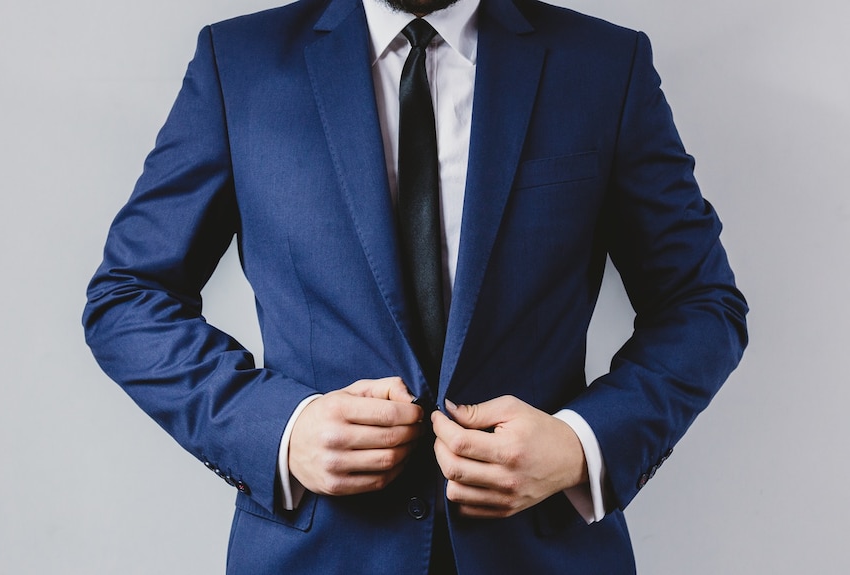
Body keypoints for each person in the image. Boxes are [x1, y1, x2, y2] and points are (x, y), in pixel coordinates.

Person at [83, 0, 748, 572]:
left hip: (542, 554)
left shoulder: (605, 66)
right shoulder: (240, 64)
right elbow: (128, 296)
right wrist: (280, 430)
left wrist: (580, 445)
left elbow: (701, 303)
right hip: (317, 555)